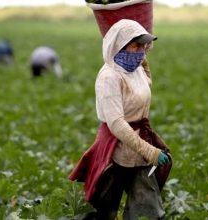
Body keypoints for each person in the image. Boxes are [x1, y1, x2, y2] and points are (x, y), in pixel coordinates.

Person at [69, 19, 173, 219]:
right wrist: (149, 151)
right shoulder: (109, 77)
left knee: (148, 210)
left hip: (139, 145)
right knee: (101, 209)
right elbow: (116, 123)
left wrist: (144, 63)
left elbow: (144, 88)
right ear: (119, 46)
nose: (141, 50)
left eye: (144, 46)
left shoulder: (136, 69)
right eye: (136, 45)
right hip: (116, 149)